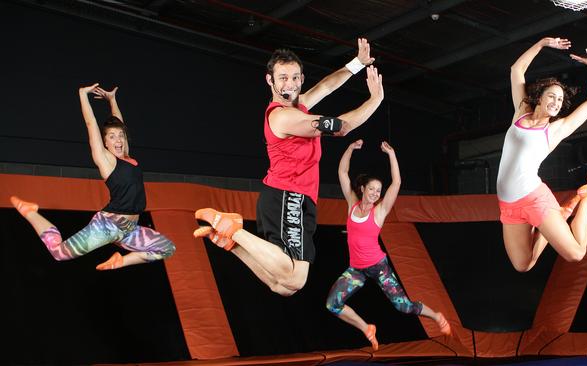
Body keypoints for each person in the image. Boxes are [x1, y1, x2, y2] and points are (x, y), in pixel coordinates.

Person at [194, 38, 384, 296]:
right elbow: (343, 127)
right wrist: (375, 100)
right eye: (283, 78)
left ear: (301, 78)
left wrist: (357, 64)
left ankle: (232, 242)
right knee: (294, 280)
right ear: (270, 81)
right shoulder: (284, 116)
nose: (290, 84)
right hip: (287, 197)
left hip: (296, 197)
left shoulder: (298, 104)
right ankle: (232, 227)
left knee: (283, 287)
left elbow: (326, 86)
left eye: (295, 77)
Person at [10, 84, 176, 270]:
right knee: (58, 253)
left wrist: (112, 100)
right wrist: (83, 94)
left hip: (129, 230)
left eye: (121, 136)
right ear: (105, 143)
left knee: (167, 248)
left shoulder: (127, 157)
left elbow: (119, 124)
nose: (118, 140)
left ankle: (121, 261)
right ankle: (31, 212)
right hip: (107, 225)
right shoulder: (106, 160)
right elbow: (91, 124)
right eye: (112, 137)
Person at [325, 140, 451, 350]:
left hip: (379, 267)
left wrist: (391, 155)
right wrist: (349, 149)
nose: (375, 193)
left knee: (403, 306)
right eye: (372, 189)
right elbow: (343, 172)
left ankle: (436, 316)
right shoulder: (352, 203)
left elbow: (397, 183)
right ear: (363, 188)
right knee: (332, 304)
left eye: (378, 190)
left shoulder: (380, 211)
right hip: (356, 269)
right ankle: (367, 328)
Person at [496, 37, 587, 272]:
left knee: (576, 253)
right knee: (523, 265)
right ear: (540, 96)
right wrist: (542, 43)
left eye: (560, 100)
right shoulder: (521, 113)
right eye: (552, 96)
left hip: (534, 199)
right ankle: (563, 213)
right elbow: (516, 70)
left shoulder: (554, 130)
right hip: (508, 205)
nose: (556, 102)